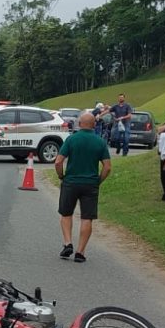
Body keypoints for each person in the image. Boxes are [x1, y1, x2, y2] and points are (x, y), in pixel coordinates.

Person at [54, 111, 111, 263]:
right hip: (90, 184)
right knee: (87, 217)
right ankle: (80, 252)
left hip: (71, 182)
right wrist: (99, 180)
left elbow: (58, 161)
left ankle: (67, 243)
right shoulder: (100, 142)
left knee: (66, 214)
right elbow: (107, 167)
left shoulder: (72, 139)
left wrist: (61, 176)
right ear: (94, 125)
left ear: (79, 124)